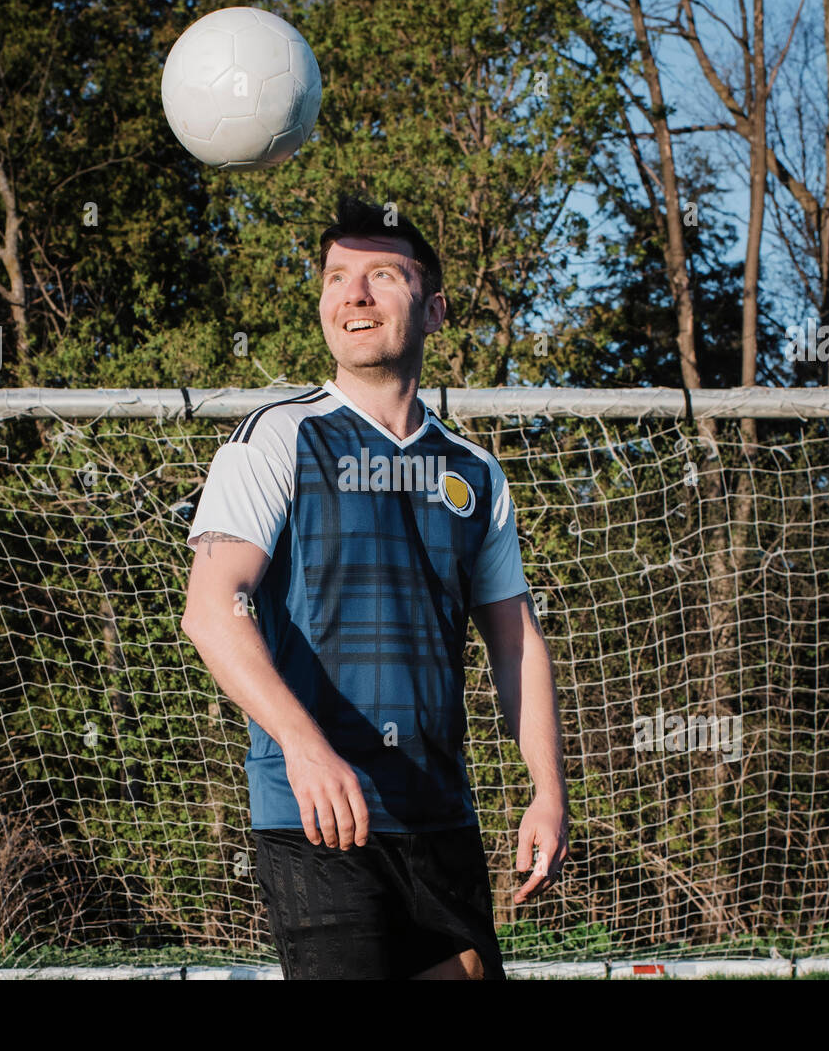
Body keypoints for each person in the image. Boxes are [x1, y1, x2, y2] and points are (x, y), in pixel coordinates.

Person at [180, 194, 568, 980]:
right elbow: (211, 610)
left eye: (381, 275)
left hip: (439, 816)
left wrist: (548, 790)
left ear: (433, 309)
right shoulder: (279, 437)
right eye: (335, 277)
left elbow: (515, 640)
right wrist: (305, 747)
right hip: (318, 820)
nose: (351, 295)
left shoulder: (474, 472)